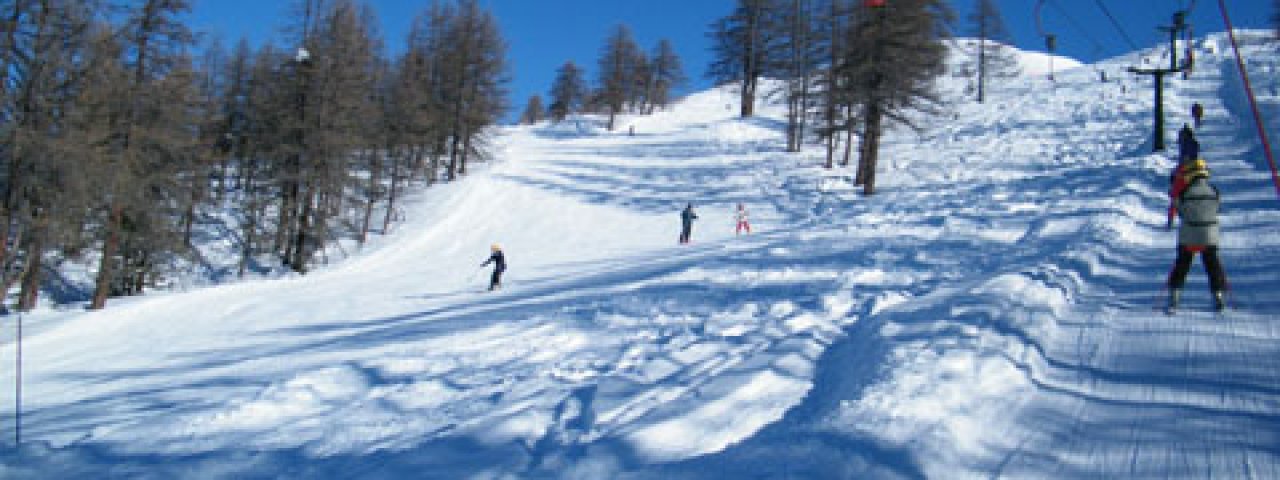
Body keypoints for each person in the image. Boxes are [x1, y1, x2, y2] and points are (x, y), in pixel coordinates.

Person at [1165, 159, 1227, 312]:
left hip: (1189, 236)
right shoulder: (1214, 191)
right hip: (1209, 236)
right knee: (1213, 265)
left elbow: (1180, 210)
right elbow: (1218, 208)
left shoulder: (1185, 193)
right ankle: (1218, 294)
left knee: (1182, 264)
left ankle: (1175, 295)